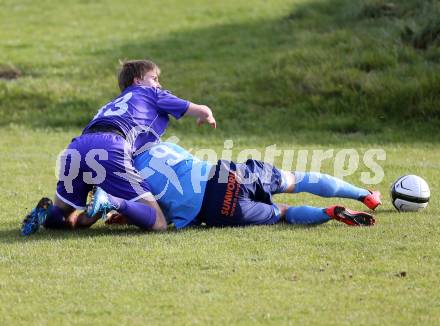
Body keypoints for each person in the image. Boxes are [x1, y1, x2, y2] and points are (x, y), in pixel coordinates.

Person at [20, 60, 216, 236]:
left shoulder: (111, 104)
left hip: (77, 146)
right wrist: (205, 114)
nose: (159, 84)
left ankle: (47, 215)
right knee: (158, 223)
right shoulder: (152, 93)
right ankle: (110, 201)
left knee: (65, 215)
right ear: (138, 80)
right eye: (154, 78)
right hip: (112, 145)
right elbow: (200, 108)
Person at [84, 141, 380, 230]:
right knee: (296, 179)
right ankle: (365, 195)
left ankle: (328, 212)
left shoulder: (125, 177)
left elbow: (152, 211)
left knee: (284, 212)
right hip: (227, 173)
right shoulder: (159, 147)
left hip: (217, 209)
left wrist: (125, 214)